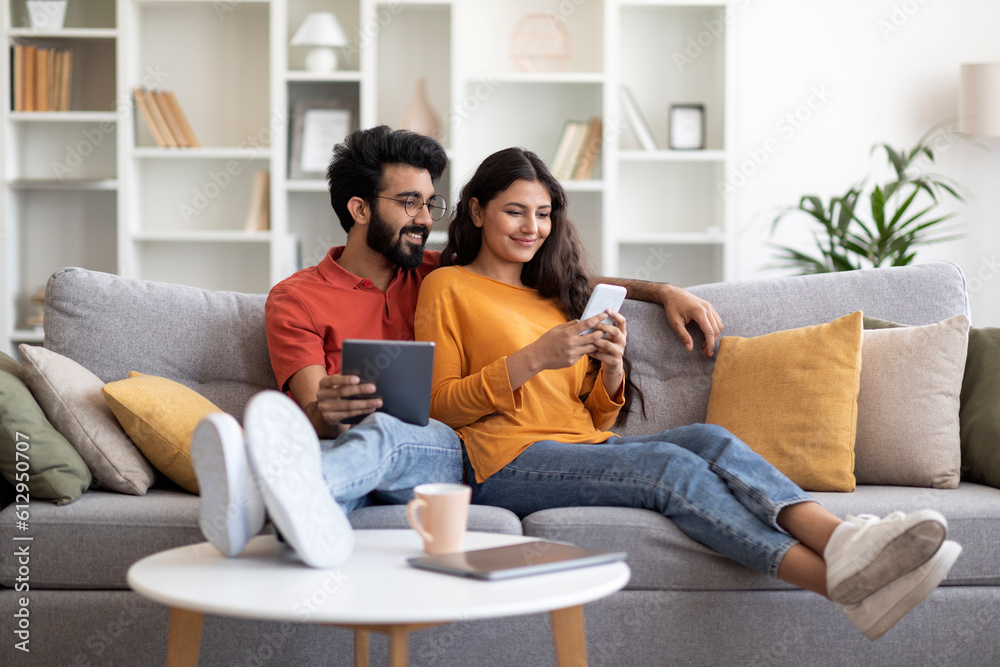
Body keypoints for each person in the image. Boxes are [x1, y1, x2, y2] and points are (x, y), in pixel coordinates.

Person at [412, 146, 962, 641]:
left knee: (709, 439)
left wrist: (608, 371)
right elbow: (437, 405)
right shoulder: (448, 286)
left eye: (543, 213)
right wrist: (532, 358)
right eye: (515, 211)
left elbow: (594, 421)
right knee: (668, 468)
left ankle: (844, 542)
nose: (531, 227)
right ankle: (839, 583)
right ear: (478, 210)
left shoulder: (556, 297)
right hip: (501, 463)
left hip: (578, 446)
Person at [191, 126, 724, 569]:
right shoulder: (296, 299)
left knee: (395, 437)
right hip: (361, 443)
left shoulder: (434, 270)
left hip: (445, 446)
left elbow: (550, 274)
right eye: (408, 203)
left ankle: (257, 499)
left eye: (430, 202)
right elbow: (315, 412)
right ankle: (296, 506)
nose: (425, 219)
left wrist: (662, 291)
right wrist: (326, 411)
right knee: (378, 436)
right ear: (358, 208)